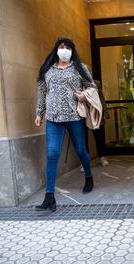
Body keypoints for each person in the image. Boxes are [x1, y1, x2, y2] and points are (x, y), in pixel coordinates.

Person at [34, 37, 97, 211]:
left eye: (68, 48)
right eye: (62, 47)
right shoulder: (47, 69)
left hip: (74, 116)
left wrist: (83, 95)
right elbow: (42, 91)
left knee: (81, 150)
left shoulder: (79, 68)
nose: (65, 50)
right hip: (53, 119)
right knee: (52, 154)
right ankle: (49, 197)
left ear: (72, 51)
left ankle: (89, 177)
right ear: (56, 49)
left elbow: (92, 86)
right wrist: (39, 113)